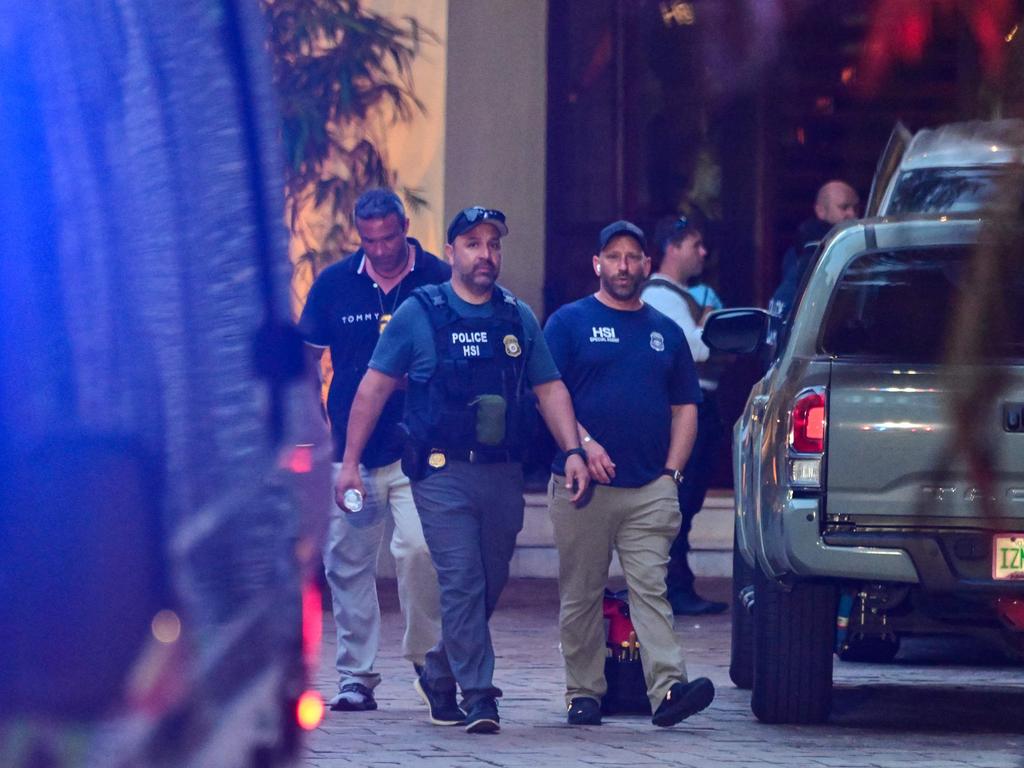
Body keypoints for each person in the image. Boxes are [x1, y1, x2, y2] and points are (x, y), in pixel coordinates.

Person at [337, 206, 589, 734]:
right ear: (450, 252)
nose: (485, 254)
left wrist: (572, 451)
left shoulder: (517, 316)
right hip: (439, 472)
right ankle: (479, 694)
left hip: (501, 472)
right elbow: (373, 388)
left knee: (491, 578)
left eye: (493, 244)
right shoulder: (419, 313)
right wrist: (351, 464)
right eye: (472, 243)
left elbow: (549, 388)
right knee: (462, 578)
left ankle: (439, 668)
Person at [544, 219, 715, 728]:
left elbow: (687, 405)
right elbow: (549, 395)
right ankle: (584, 693)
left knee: (651, 590)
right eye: (613, 256)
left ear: (646, 264)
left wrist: (671, 475)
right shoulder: (569, 322)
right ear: (597, 264)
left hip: (649, 489)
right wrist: (582, 445)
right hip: (583, 488)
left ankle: (667, 690)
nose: (623, 265)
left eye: (632, 257)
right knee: (582, 593)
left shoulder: (665, 331)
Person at [298, 188, 449, 713]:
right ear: (357, 235)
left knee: (420, 552)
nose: (382, 249)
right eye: (370, 240)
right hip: (349, 454)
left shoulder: (437, 279)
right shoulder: (335, 283)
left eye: (390, 237)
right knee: (347, 564)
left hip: (419, 450)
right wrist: (317, 430)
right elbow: (305, 361)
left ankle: (429, 667)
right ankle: (355, 676)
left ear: (405, 225)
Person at [641, 214, 728, 615]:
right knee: (679, 498)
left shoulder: (683, 295)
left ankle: (677, 584)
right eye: (696, 245)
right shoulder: (661, 296)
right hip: (682, 410)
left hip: (698, 406)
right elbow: (693, 349)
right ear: (672, 248)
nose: (704, 253)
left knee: (687, 501)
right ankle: (673, 588)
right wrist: (711, 324)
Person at [772, 179, 859, 323]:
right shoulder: (810, 253)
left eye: (855, 208)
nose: (852, 214)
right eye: (844, 207)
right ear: (820, 211)